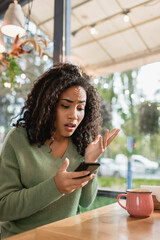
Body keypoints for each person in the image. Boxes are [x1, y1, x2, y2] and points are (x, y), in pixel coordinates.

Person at [0, 63, 119, 239]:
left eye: (80, 108)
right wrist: (55, 187)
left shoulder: (82, 142)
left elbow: (86, 202)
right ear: (48, 105)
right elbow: (3, 208)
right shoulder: (18, 140)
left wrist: (89, 163)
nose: (74, 115)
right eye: (65, 106)